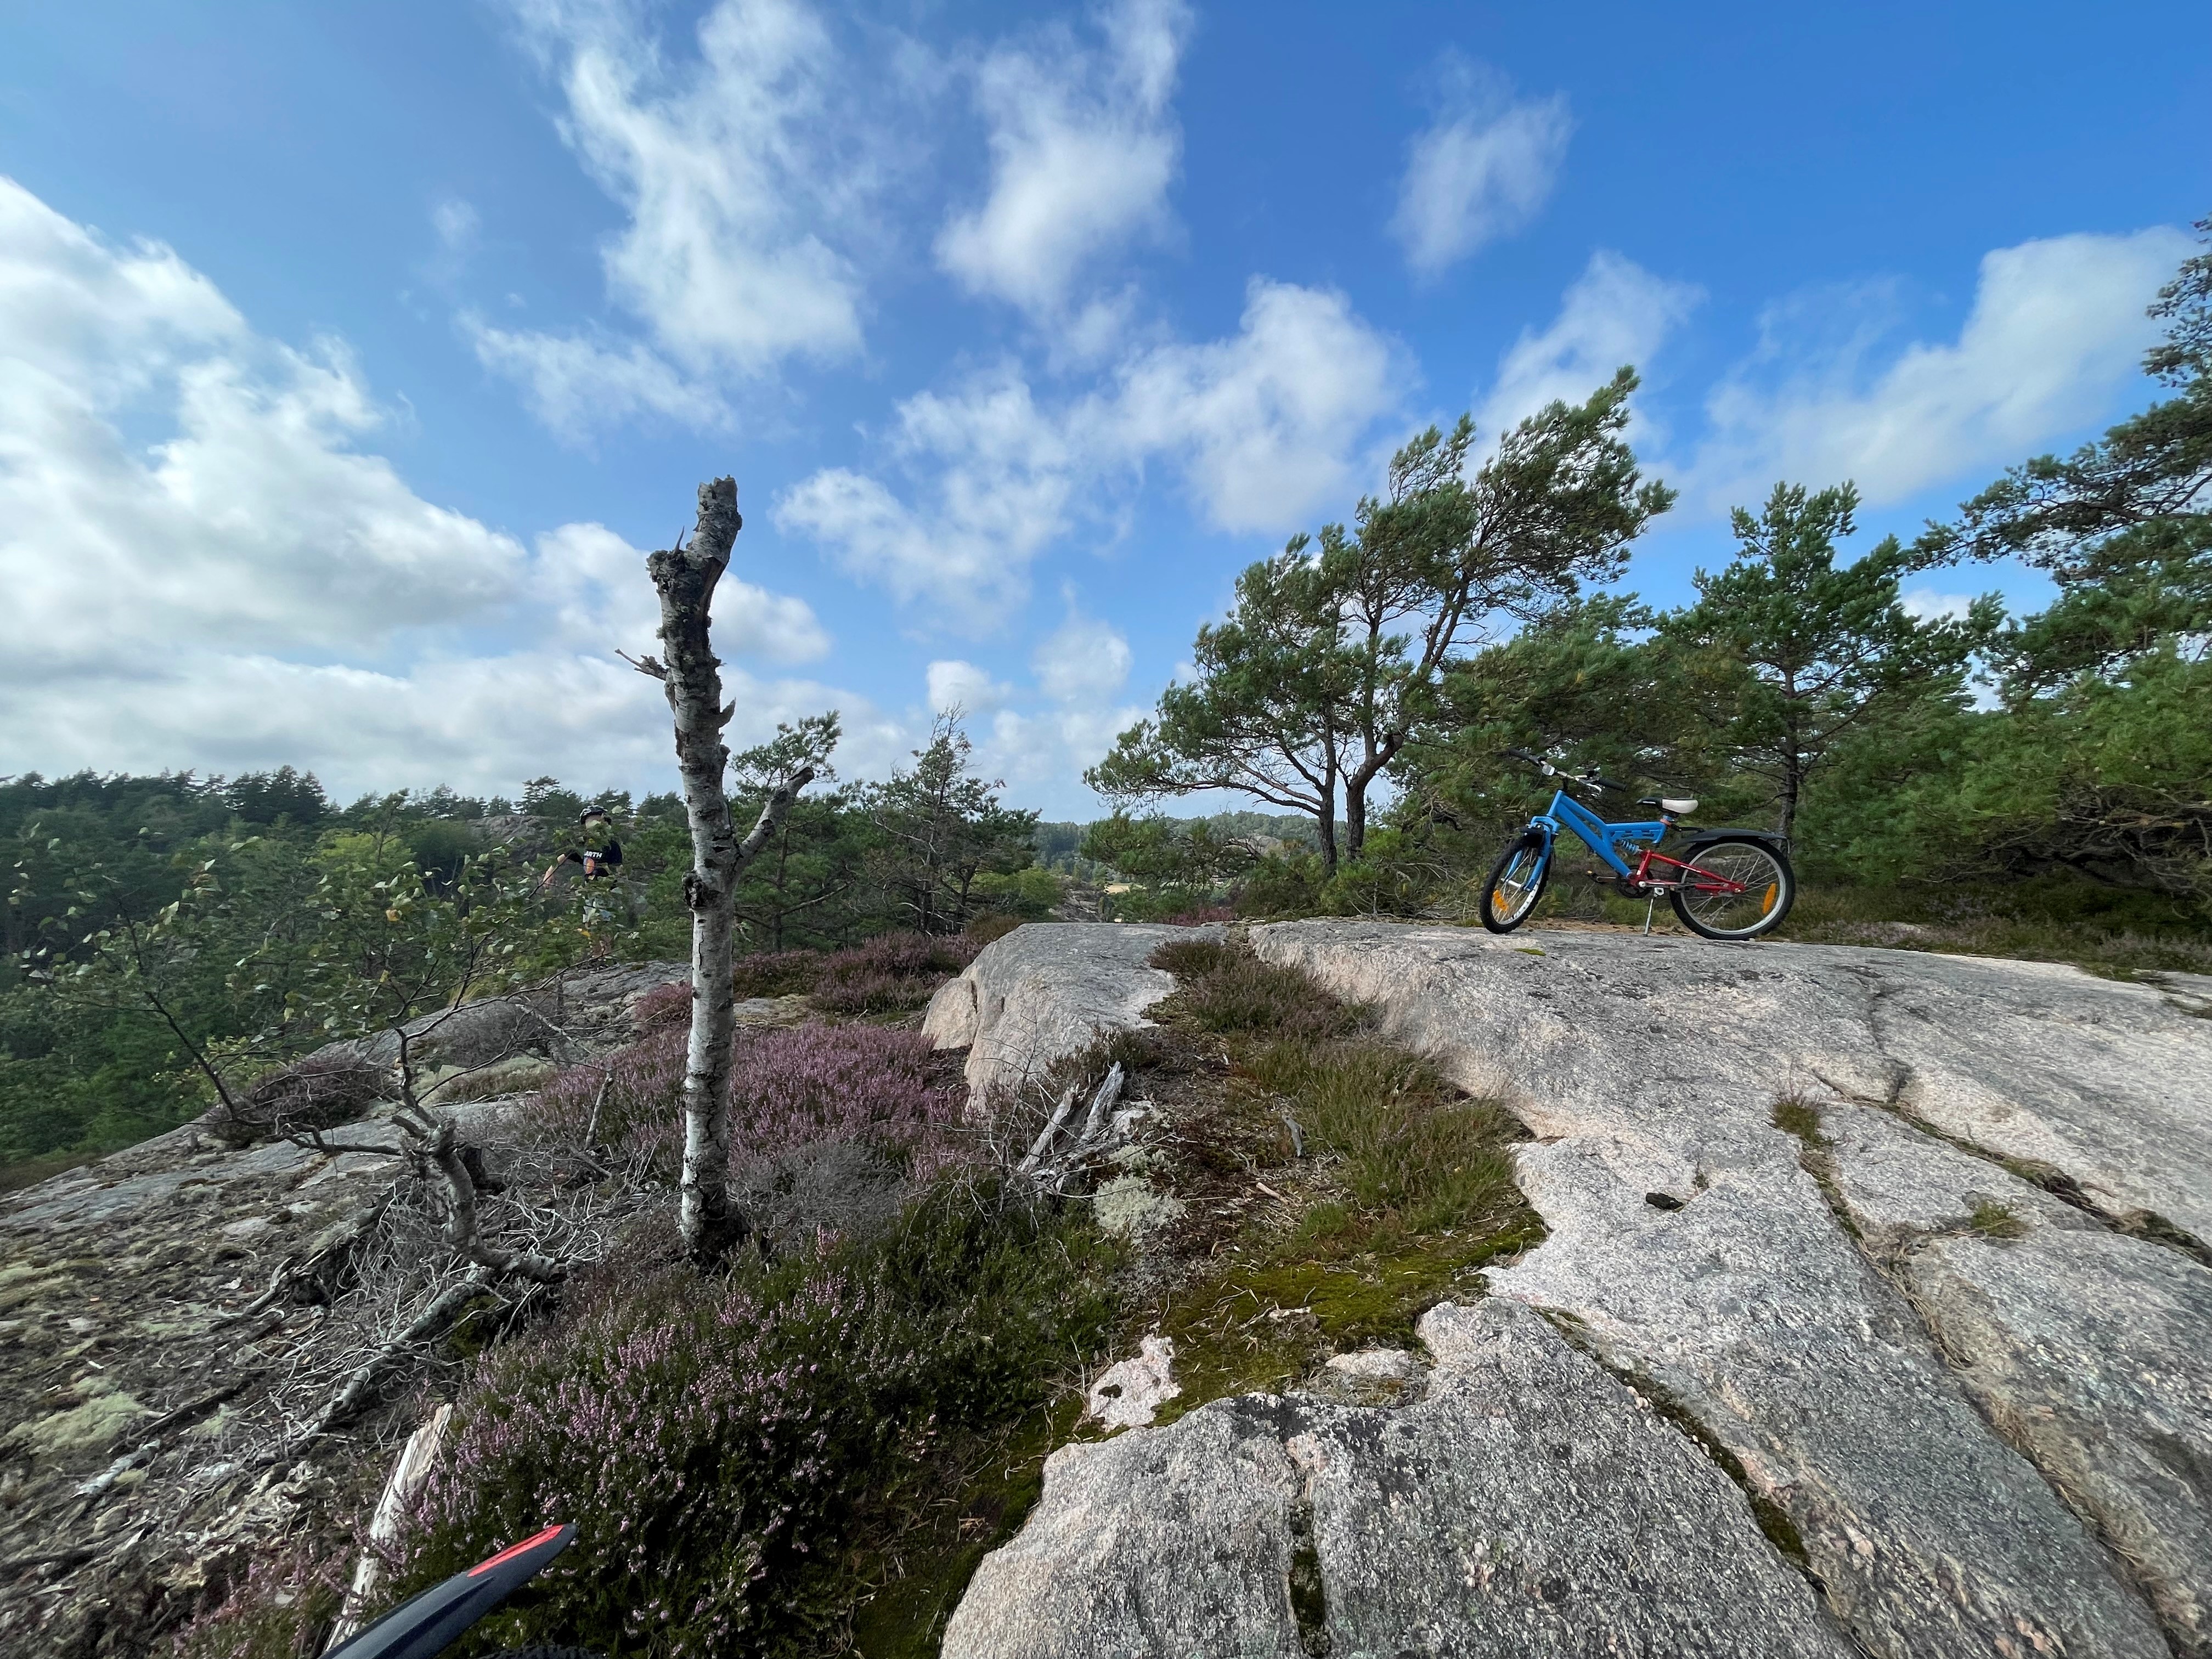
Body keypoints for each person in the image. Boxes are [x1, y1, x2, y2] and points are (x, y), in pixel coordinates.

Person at [539, 807, 624, 891]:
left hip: (608, 889)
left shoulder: (611, 845)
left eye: (599, 821)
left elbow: (618, 868)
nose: (595, 825)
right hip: (590, 889)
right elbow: (563, 857)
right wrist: (549, 873)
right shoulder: (583, 845)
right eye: (591, 822)